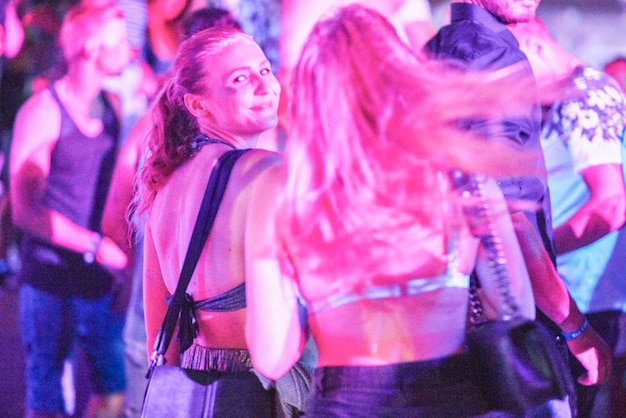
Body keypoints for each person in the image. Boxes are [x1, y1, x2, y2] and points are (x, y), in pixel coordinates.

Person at [244, 5, 610, 416]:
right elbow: (513, 306)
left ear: (311, 94)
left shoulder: (284, 190)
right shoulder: (459, 174)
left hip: (346, 401)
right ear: (401, 75)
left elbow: (272, 357)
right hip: (454, 395)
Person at [136, 27, 291, 416]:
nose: (264, 85)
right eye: (240, 79)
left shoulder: (164, 182)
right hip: (267, 387)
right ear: (198, 106)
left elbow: (159, 317)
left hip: (198, 387)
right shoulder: (265, 172)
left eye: (265, 70)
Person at [101, 8, 244, 417]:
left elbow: (116, 216)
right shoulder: (164, 126)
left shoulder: (158, 123)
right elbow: (115, 214)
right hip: (175, 327)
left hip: (167, 322)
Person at [9, 3, 131, 417]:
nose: (130, 50)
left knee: (114, 389)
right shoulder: (43, 111)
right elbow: (25, 212)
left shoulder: (112, 106)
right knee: (47, 395)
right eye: (121, 39)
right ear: (93, 47)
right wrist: (97, 245)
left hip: (98, 279)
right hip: (49, 278)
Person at [510, 17, 626, 418]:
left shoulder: (584, 94)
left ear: (538, 49)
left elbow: (611, 206)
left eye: (513, 61)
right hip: (560, 290)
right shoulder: (557, 99)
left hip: (581, 296)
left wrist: (531, 253)